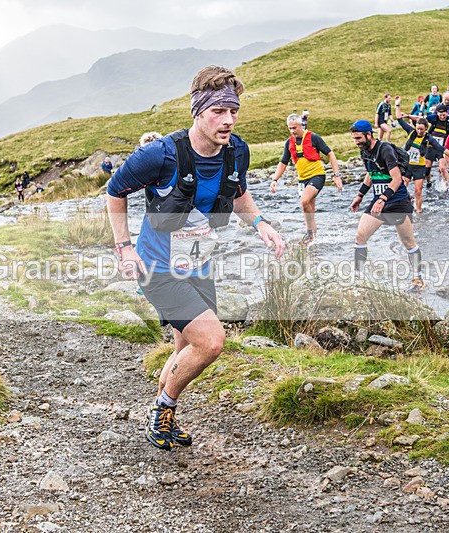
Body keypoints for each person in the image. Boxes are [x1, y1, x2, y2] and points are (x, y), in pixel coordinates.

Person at [105, 65, 285, 451]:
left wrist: (261, 225)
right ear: (198, 112)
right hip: (158, 270)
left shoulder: (237, 151)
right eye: (219, 111)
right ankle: (161, 409)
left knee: (183, 348)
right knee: (211, 341)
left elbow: (238, 197)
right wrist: (124, 247)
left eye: (233, 111)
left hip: (200, 263)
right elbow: (115, 191)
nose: (229, 120)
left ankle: (163, 419)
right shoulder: (159, 155)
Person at [349, 120, 424, 291]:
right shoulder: (364, 151)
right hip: (379, 202)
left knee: (408, 242)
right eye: (354, 139)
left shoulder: (385, 150)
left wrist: (382, 199)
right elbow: (371, 173)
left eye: (359, 138)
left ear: (369, 135)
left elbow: (397, 179)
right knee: (360, 237)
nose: (356, 142)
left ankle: (417, 279)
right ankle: (359, 279)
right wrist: (360, 195)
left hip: (397, 202)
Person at [269, 113, 343, 246]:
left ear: (301, 125)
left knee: (304, 201)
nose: (292, 131)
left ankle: (309, 234)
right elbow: (283, 162)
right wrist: (275, 179)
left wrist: (336, 175)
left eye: (295, 128)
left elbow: (330, 154)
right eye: (290, 128)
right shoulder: (289, 142)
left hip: (317, 176)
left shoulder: (313, 138)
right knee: (309, 208)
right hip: (302, 180)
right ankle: (314, 238)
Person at [395, 98, 449, 214]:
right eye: (418, 129)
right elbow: (399, 119)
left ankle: (419, 212)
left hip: (419, 167)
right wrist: (397, 105)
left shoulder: (428, 138)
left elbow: (442, 148)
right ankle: (407, 202)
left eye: (422, 129)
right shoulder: (411, 132)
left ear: (426, 129)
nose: (419, 131)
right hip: (407, 165)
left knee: (418, 191)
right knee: (402, 187)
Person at [400, 103, 449, 190]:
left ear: (447, 112)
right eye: (440, 115)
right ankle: (429, 181)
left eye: (444, 115)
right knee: (427, 170)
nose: (442, 117)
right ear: (437, 113)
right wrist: (408, 116)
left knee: (442, 168)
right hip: (429, 147)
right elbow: (420, 119)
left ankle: (447, 186)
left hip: (440, 148)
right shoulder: (433, 118)